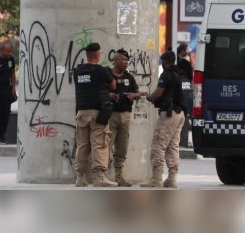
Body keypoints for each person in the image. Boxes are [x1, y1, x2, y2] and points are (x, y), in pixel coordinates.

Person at [73, 42, 117, 187]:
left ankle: (80, 178)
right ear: (97, 56)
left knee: (82, 145)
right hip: (97, 113)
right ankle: (99, 178)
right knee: (99, 144)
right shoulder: (101, 70)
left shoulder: (78, 71)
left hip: (81, 112)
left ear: (86, 55)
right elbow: (113, 85)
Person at [141, 51, 186, 188]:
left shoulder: (166, 74)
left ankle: (156, 178)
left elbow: (157, 94)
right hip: (180, 114)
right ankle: (172, 179)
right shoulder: (182, 74)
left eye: (162, 61)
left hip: (168, 114)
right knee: (173, 146)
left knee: (158, 145)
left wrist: (146, 96)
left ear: (165, 61)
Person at [107, 49, 141, 187]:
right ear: (115, 60)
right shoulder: (107, 74)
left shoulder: (129, 77)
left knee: (122, 147)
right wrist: (110, 95)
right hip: (110, 115)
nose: (126, 63)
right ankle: (102, 176)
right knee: (105, 146)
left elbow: (137, 93)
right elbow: (100, 91)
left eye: (127, 60)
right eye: (123, 60)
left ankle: (119, 177)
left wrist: (134, 95)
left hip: (125, 115)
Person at [176, 43, 194, 147]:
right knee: (187, 107)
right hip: (185, 86)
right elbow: (191, 73)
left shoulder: (176, 61)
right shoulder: (184, 62)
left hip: (180, 87)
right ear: (183, 51)